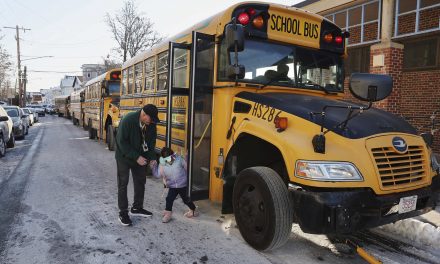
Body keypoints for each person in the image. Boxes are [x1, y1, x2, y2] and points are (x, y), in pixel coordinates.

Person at [115, 104, 159, 226]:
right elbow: (121, 142)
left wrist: (152, 158)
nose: (152, 121)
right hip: (124, 157)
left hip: (141, 156)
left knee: (140, 181)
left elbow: (151, 143)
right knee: (123, 183)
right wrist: (136, 157)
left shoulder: (151, 124)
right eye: (151, 118)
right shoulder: (128, 120)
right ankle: (123, 213)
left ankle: (137, 208)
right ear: (144, 114)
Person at [156, 147, 198, 223]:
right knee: (169, 199)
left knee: (186, 200)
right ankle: (168, 214)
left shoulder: (179, 159)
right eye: (166, 158)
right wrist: (153, 167)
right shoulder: (162, 164)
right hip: (172, 186)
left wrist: (186, 157)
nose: (169, 161)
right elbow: (158, 174)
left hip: (182, 185)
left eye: (170, 158)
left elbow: (187, 167)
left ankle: (193, 209)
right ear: (163, 158)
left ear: (172, 155)